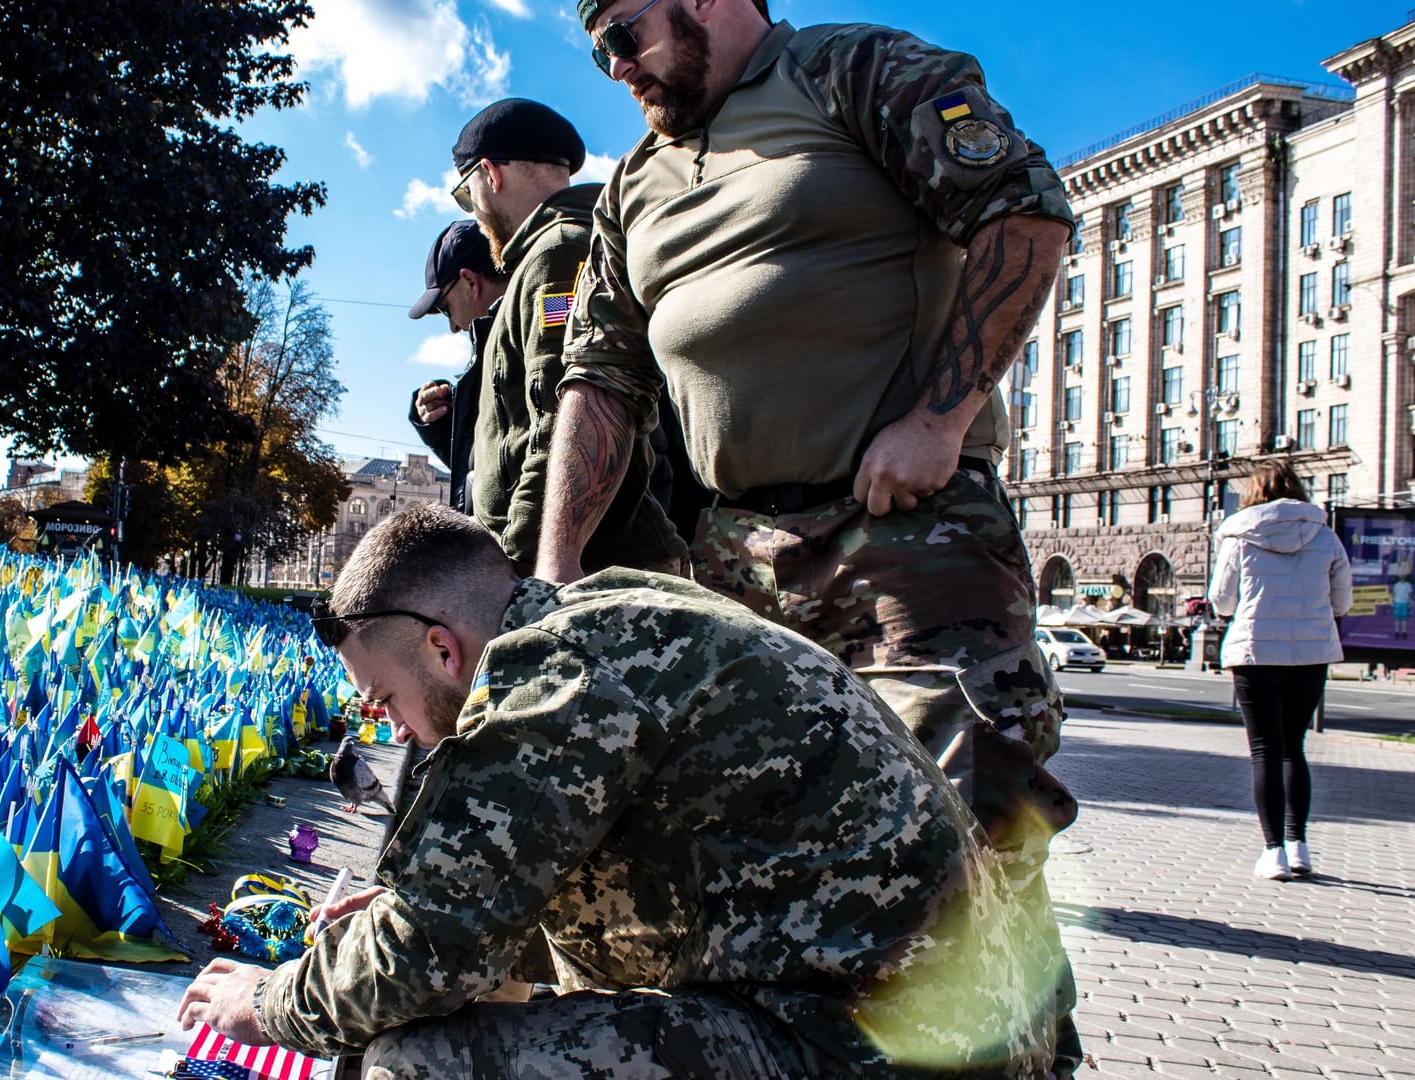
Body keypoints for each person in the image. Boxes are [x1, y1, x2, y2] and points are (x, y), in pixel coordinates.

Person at [543, 0, 1080, 1068]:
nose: (614, 65)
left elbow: (1024, 213)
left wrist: (940, 417)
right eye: (596, 44)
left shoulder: (850, 70)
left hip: (911, 544)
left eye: (627, 30)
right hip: (738, 563)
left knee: (964, 845)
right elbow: (598, 381)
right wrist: (551, 576)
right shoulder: (634, 191)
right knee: (778, 855)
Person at [178, 504, 1058, 1078]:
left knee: (416, 1062)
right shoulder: (609, 621)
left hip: (869, 1054)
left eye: (386, 701)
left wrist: (261, 1000)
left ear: (444, 650)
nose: (394, 730)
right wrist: (446, 905)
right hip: (938, 1033)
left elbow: (426, 958)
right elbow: (593, 874)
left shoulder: (546, 679)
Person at [446, 98, 685, 576]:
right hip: (586, 567)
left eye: (465, 193)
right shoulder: (555, 251)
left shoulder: (559, 253)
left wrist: (519, 569)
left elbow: (559, 426)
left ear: (490, 175)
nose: (473, 211)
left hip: (582, 574)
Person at [1208, 460, 1351, 880]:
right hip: (1311, 654)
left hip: (1254, 654)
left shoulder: (1238, 536)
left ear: (1253, 493)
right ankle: (1299, 845)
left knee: (1265, 750)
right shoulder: (1325, 537)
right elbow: (1342, 603)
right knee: (1294, 747)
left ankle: (1273, 853)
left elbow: (1223, 601)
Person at [405, 220, 509, 513]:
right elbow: (491, 464)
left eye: (445, 308)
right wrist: (444, 424)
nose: (452, 326)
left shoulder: (524, 338)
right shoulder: (493, 351)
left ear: (470, 282)